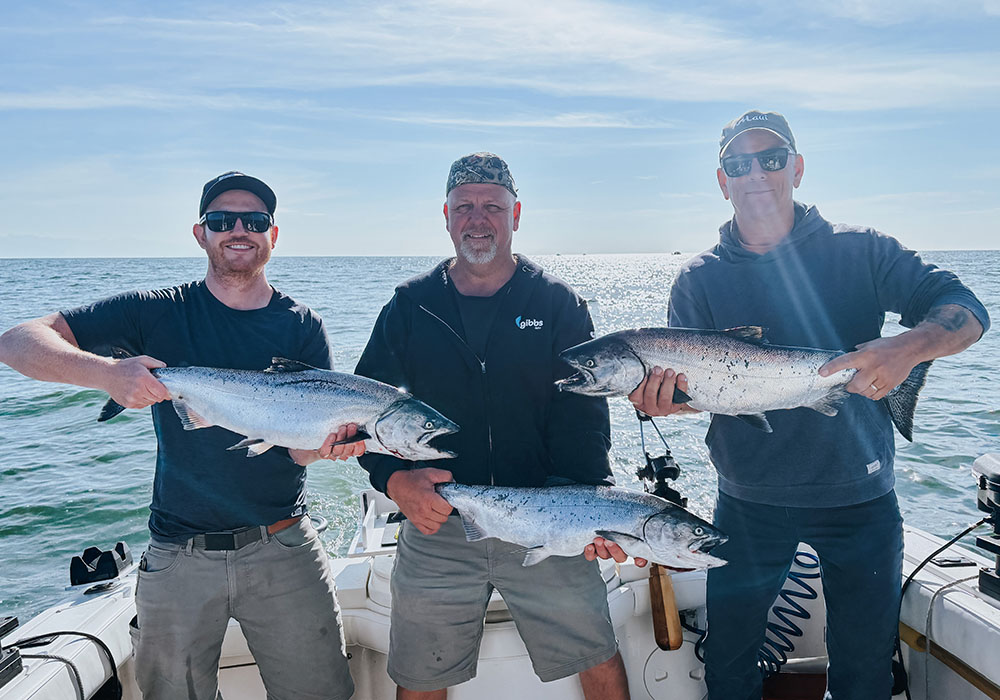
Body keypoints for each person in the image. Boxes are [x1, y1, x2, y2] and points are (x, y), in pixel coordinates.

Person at [629, 110, 990, 700]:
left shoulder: (864, 251)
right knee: (728, 665)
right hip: (747, 501)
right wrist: (670, 404)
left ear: (796, 168)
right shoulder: (698, 280)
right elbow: (703, 393)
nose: (756, 174)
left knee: (864, 670)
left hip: (861, 498)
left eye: (771, 159)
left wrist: (908, 348)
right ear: (722, 181)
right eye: (738, 164)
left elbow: (964, 307)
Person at [0, 171, 360, 700]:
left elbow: (300, 448)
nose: (239, 230)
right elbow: (17, 342)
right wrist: (108, 374)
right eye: (222, 220)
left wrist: (332, 446)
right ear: (200, 233)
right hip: (178, 552)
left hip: (284, 546)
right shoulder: (155, 309)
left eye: (254, 221)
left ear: (273, 235)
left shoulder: (302, 324)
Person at [355, 152, 635, 700]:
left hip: (548, 518)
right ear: (445, 215)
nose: (477, 218)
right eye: (465, 206)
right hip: (438, 520)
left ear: (516, 213)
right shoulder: (410, 305)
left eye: (492, 206)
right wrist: (392, 479)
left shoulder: (557, 303)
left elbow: (584, 423)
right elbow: (365, 413)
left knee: (596, 655)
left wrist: (591, 513)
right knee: (419, 675)